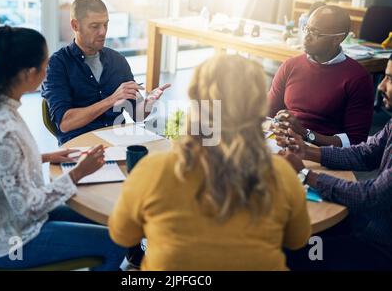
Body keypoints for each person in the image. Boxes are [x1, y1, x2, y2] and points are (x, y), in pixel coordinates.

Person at [108, 54, 311, 270]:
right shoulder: (282, 173)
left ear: (195, 103)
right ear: (258, 107)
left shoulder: (153, 170)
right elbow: (297, 240)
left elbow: (122, 234)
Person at [0, 26, 126, 270]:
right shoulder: (3, 129)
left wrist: (47, 156)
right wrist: (79, 172)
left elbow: (1, 162)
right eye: (44, 64)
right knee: (116, 240)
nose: (48, 70)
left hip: (14, 223)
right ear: (28, 74)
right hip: (15, 242)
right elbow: (29, 208)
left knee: (114, 222)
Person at [276, 54, 392, 270]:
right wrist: (307, 151)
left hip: (380, 249)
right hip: (366, 226)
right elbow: (365, 153)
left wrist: (305, 174)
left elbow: (371, 196)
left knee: (292, 252)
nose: (381, 86)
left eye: (390, 79)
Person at [42, 0, 170, 145]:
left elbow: (137, 115)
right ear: (75, 25)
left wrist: (148, 102)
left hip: (118, 142)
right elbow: (65, 123)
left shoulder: (118, 60)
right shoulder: (57, 64)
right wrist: (111, 100)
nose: (103, 32)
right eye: (95, 26)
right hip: (79, 146)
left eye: (106, 25)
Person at [268, 5, 374, 148]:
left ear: (337, 39)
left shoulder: (358, 78)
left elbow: (356, 141)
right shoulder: (290, 66)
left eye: (315, 32)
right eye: (306, 28)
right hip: (283, 143)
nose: (306, 36)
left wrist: (305, 134)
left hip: (324, 154)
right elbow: (268, 113)